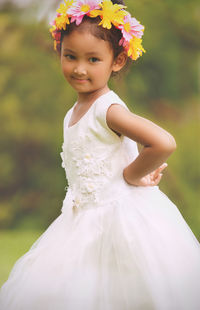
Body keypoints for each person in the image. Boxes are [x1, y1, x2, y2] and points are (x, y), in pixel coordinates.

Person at [0, 0, 200, 309]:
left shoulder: (108, 109)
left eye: (93, 59)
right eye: (70, 57)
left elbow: (163, 142)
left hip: (119, 220)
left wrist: (130, 175)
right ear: (59, 52)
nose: (79, 68)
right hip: (81, 221)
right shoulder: (74, 112)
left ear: (117, 61)